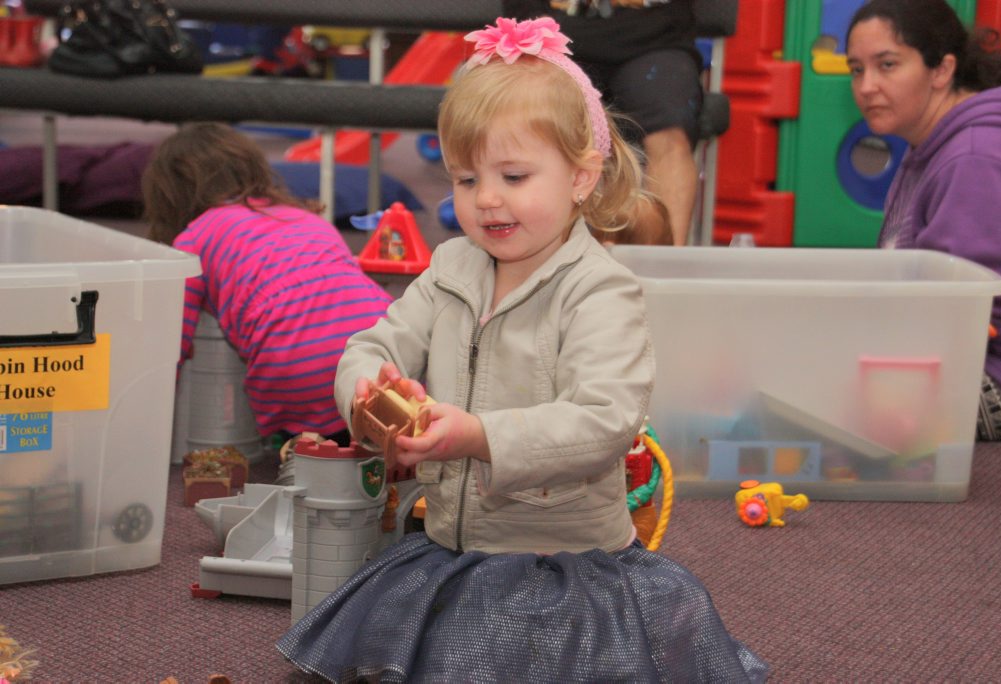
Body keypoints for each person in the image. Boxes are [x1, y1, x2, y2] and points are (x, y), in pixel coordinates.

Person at [276, 18, 768, 682]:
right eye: (465, 177)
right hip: (453, 549)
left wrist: (480, 435)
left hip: (565, 562)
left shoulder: (600, 290)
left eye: (513, 175)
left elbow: (602, 420)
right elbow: (372, 344)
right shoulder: (451, 267)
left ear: (581, 178)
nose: (487, 200)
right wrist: (368, 396)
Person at [142, 122, 393, 443]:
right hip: (382, 344)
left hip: (300, 367)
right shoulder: (305, 216)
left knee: (308, 441)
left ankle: (310, 440)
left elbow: (170, 343)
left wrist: (149, 411)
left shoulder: (193, 239)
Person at [846, 0, 1001, 441]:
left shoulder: (976, 157)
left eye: (887, 65)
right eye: (856, 70)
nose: (867, 86)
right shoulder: (930, 142)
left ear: (942, 70)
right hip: (960, 360)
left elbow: (964, 316)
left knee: (809, 382)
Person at [503, 0, 704, 246]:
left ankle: (667, 266)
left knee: (670, 130)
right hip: (551, 35)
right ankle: (534, 262)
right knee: (530, 123)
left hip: (654, 40)